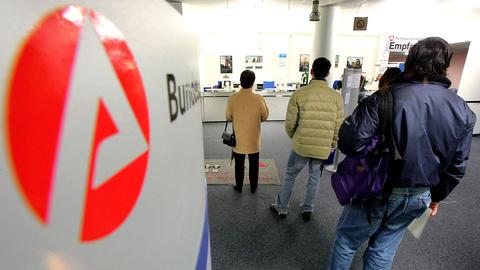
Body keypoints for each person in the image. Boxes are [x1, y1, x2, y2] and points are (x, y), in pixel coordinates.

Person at [328, 37, 476, 269]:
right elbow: (457, 166)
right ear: (445, 65)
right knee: (383, 250)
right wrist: (436, 197)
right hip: (419, 196)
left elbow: (350, 143)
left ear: (410, 62)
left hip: (376, 189)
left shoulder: (384, 97)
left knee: (346, 242)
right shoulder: (463, 110)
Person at [270, 57, 344, 221]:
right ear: (328, 73)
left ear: (311, 71)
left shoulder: (299, 94)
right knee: (315, 177)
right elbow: (338, 126)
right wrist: (331, 143)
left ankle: (282, 207)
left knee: (290, 174)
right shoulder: (336, 97)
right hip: (322, 146)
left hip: (301, 145)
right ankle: (308, 209)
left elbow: (290, 123)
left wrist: (294, 137)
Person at [225, 70, 269, 193]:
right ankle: (253, 187)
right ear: (253, 82)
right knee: (254, 164)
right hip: (253, 139)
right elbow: (265, 116)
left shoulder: (232, 98)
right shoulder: (258, 98)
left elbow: (228, 116)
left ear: (240, 82)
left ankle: (239, 186)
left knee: (239, 164)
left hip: (239, 139)